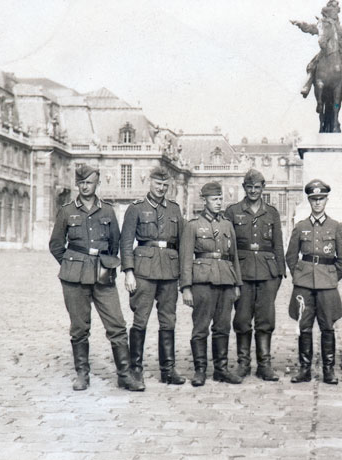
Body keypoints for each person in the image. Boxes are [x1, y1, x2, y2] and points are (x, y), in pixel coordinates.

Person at [48, 164, 143, 392]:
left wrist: (105, 264)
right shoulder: (67, 211)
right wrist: (72, 264)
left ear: (97, 184)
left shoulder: (107, 211)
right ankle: (82, 374)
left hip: (102, 274)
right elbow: (56, 245)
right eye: (81, 183)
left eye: (89, 183)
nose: (85, 187)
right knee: (79, 327)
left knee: (116, 324)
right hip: (74, 277)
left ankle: (124, 375)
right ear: (77, 184)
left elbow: (115, 243)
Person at [119, 166, 186, 388]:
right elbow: (126, 242)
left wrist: (183, 276)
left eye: (165, 185)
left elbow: (182, 243)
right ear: (150, 182)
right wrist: (129, 272)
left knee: (168, 320)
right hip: (144, 271)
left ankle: (168, 369)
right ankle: (136, 369)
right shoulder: (136, 208)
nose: (161, 188)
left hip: (169, 270)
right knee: (140, 319)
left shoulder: (174, 209)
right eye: (158, 184)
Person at [286, 179, 342, 384]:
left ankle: (328, 370)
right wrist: (299, 275)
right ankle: (304, 369)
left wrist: (332, 277)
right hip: (304, 284)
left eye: (321, 199)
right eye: (314, 199)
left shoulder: (336, 227)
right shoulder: (300, 227)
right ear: (309, 201)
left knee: (327, 326)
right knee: (304, 326)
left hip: (327, 284)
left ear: (326, 200)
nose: (317, 203)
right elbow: (291, 256)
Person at [180, 181, 243, 386]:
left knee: (223, 326)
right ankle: (200, 370)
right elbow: (186, 258)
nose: (218, 203)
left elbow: (234, 256)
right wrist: (186, 288)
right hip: (203, 282)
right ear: (204, 200)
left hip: (226, 280)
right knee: (200, 327)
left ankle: (221, 369)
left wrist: (237, 284)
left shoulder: (227, 225)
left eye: (220, 199)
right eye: (214, 199)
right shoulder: (193, 225)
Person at [225, 169, 286, 381]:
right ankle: (243, 363)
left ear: (263, 188)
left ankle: (264, 364)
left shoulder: (272, 213)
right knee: (242, 319)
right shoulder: (233, 212)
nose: (253, 191)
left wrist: (279, 273)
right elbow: (228, 247)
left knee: (266, 319)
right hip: (242, 272)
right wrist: (231, 275)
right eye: (249, 187)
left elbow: (278, 245)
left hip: (268, 273)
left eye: (257, 187)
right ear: (244, 187)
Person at [290, 0, 342, 98]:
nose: (334, 14)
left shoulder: (340, 28)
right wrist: (301, 24)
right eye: (332, 12)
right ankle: (307, 85)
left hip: (337, 51)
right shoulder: (323, 24)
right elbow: (311, 28)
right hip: (324, 51)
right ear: (328, 13)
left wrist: (341, 43)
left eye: (336, 12)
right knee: (312, 65)